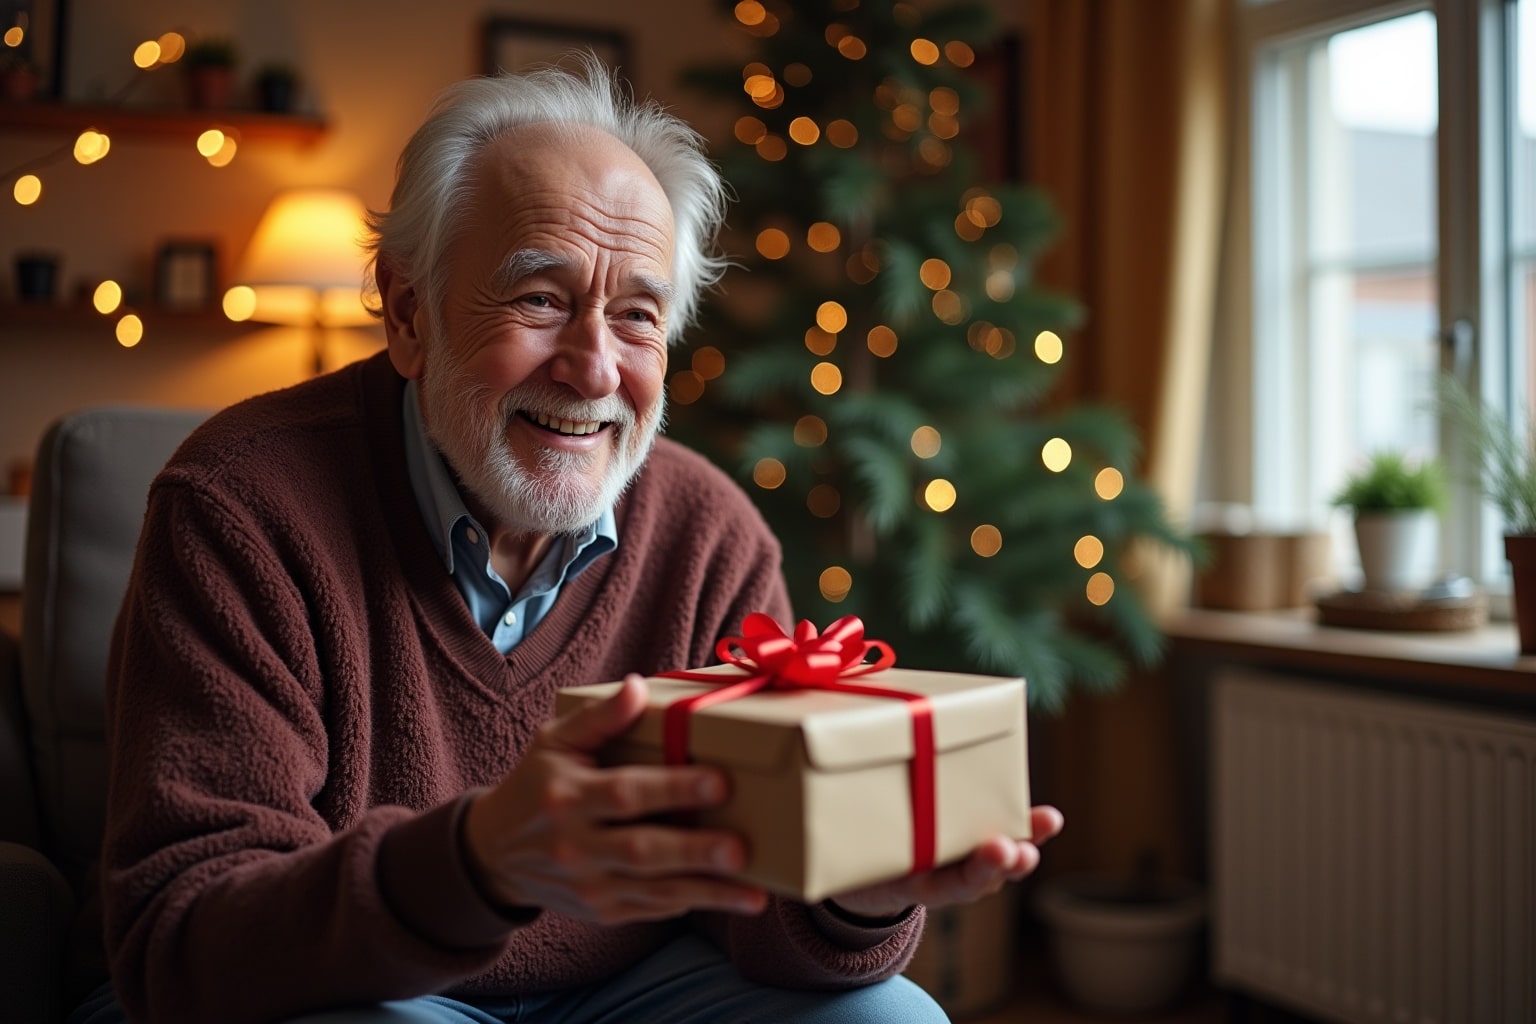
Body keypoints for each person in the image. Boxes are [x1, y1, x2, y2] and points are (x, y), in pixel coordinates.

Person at [78, 59, 1063, 1024]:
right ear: (410, 312)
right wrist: (476, 863)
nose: (595, 369)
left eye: (637, 316)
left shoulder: (711, 535)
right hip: (365, 987)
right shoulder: (242, 503)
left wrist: (854, 893)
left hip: (630, 988)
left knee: (889, 1016)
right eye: (541, 299)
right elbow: (185, 936)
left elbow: (752, 903)